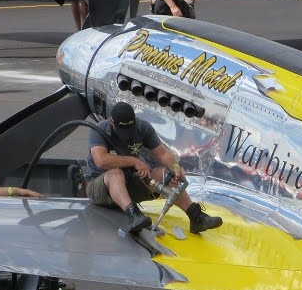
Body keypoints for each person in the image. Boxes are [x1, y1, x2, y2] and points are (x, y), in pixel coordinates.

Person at [85, 101, 223, 235]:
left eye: (130, 130)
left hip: (128, 185)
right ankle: (134, 215)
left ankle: (196, 216)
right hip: (101, 189)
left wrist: (174, 167)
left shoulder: (142, 127)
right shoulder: (99, 131)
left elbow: (162, 153)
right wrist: (133, 161)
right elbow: (101, 160)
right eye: (123, 131)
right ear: (112, 122)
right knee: (115, 174)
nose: (127, 135)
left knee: (163, 173)